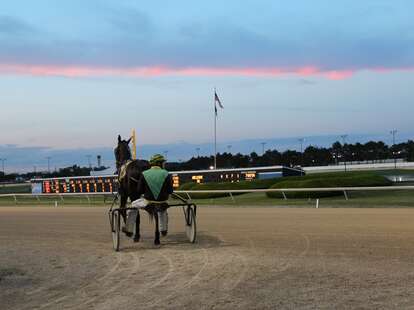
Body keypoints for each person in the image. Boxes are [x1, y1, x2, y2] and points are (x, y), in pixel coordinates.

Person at [125, 154, 173, 238]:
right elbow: (170, 191)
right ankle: (163, 230)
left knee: (132, 205)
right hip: (162, 202)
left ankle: (129, 230)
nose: (164, 164)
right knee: (163, 210)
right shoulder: (167, 174)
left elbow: (140, 191)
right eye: (163, 163)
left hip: (148, 202)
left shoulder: (144, 174)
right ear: (159, 163)